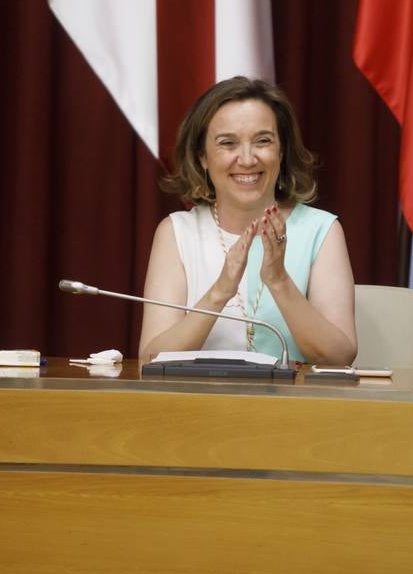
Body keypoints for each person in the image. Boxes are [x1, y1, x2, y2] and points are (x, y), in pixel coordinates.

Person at [138, 77, 357, 365]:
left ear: (282, 150)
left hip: (295, 406)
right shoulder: (177, 232)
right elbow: (150, 360)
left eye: (263, 141)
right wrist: (220, 292)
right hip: (196, 406)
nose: (247, 159)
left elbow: (340, 356)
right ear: (202, 156)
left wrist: (279, 282)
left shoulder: (321, 231)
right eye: (228, 143)